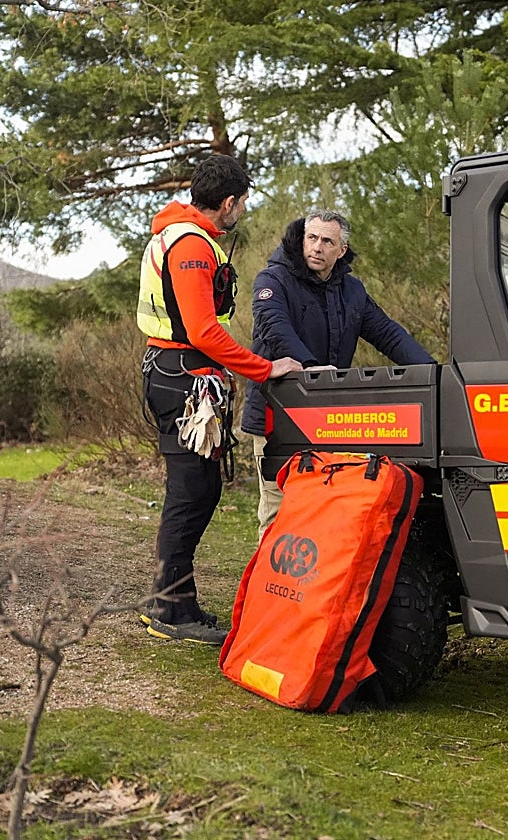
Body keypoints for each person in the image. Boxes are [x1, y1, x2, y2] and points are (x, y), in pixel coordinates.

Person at [138, 154, 303, 645]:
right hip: (181, 378)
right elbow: (203, 330)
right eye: (243, 202)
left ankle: (176, 602)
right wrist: (264, 368)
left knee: (200, 491)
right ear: (229, 202)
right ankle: (169, 609)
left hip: (181, 375)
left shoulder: (186, 235)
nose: (243, 210)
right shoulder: (191, 244)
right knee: (191, 493)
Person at [242, 209, 436, 537]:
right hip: (277, 416)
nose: (317, 247)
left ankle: (312, 587)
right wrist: (312, 368)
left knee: (322, 510)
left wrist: (434, 374)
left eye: (327, 241)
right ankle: (268, 586)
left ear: (341, 250)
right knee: (279, 510)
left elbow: (389, 334)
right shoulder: (272, 280)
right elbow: (274, 327)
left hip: (328, 420)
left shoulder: (352, 291)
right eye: (312, 238)